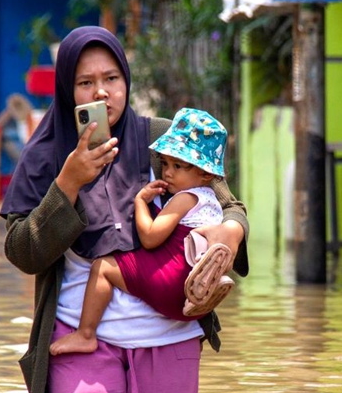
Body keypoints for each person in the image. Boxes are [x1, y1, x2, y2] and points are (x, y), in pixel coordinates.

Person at [0, 26, 249, 393]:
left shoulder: (166, 140)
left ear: (126, 82)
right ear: (67, 91)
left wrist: (232, 233)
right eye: (85, 83)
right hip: (80, 335)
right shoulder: (45, 156)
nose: (101, 94)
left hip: (171, 334)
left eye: (111, 79)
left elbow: (230, 205)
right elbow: (23, 250)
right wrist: (68, 183)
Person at [48, 108, 235, 356]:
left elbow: (149, 237)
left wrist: (139, 202)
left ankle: (85, 335)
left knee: (102, 268)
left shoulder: (185, 199)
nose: (167, 172)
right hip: (193, 301)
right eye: (165, 162)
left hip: (170, 285)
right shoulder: (211, 202)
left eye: (178, 165)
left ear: (206, 174)